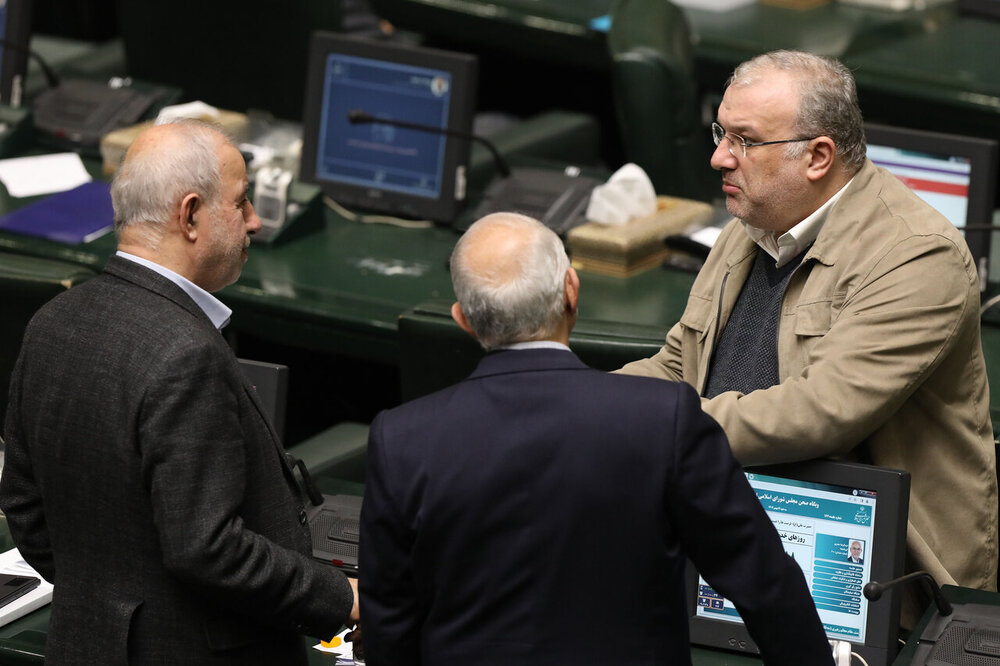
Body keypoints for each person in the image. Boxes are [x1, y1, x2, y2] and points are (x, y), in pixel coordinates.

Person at [618, 50, 997, 624]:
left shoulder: (918, 256)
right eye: (721, 133)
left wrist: (647, 428)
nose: (719, 157)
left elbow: (817, 412)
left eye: (745, 140)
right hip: (733, 528)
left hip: (872, 579)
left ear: (818, 157)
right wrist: (584, 402)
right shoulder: (754, 221)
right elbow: (680, 365)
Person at [358, 212, 833, 665]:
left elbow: (390, 626)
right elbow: (765, 584)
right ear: (572, 290)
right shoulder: (663, 419)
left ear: (463, 319)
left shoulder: (400, 440)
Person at [0, 120, 358, 665]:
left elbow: (24, 507)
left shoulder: (53, 321)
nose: (256, 221)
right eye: (240, 203)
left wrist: (106, 598)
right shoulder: (187, 354)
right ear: (190, 215)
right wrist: (344, 599)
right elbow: (209, 550)